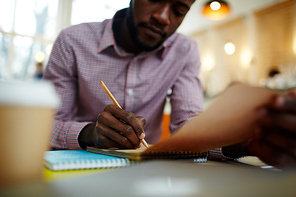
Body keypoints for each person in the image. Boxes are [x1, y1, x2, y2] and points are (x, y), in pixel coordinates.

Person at [44, 0, 296, 169]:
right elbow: (45, 127)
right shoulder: (73, 42)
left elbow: (188, 125)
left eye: (178, 10)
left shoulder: (185, 52)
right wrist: (90, 133)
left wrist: (243, 140)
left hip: (145, 169)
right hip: (71, 168)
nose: (162, 17)